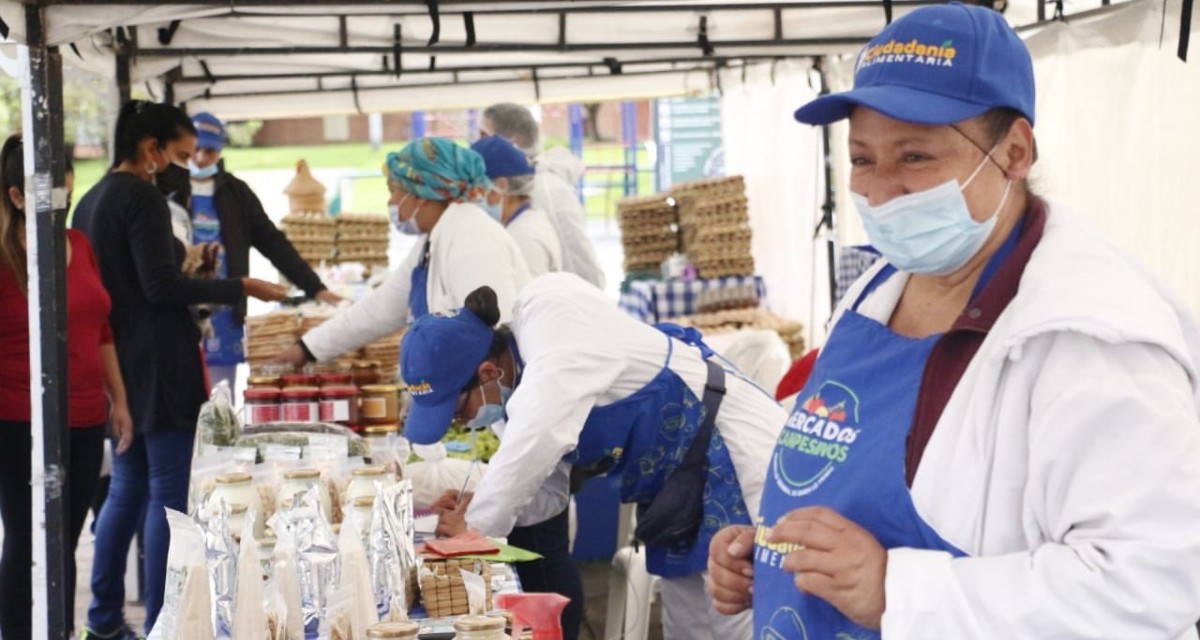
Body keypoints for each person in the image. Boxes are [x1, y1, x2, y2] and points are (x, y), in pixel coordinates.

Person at [707, 5, 1200, 639]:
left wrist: (899, 592)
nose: (881, 192)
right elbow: (838, 463)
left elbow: (1149, 584)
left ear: (1015, 152)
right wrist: (770, 552)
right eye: (862, 158)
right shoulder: (875, 291)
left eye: (915, 157)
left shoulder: (1090, 336)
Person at [403, 273, 789, 640]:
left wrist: (476, 524)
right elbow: (546, 494)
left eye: (458, 411)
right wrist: (475, 506)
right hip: (677, 488)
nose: (463, 422)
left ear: (488, 372)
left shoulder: (551, 327)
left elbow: (537, 433)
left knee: (740, 618)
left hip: (733, 453)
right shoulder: (521, 395)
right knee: (690, 626)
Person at [72, 100, 287, 639]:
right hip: (159, 360)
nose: (188, 169)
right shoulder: (142, 198)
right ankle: (166, 620)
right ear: (151, 151)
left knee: (127, 487)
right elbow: (160, 286)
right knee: (167, 493)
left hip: (120, 358)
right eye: (182, 156)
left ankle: (103, 617)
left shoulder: (90, 202)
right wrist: (239, 285)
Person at [0, 136, 132, 639]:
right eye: (51, 201)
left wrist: (118, 399)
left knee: (66, 542)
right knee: (26, 542)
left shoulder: (81, 245)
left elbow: (101, 330)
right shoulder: (4, 255)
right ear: (16, 196)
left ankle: (58, 630)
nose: (62, 210)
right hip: (18, 419)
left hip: (83, 415)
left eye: (67, 199)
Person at [273, 137, 530, 367]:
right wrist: (308, 348)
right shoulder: (433, 240)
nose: (392, 202)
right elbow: (381, 308)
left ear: (421, 194)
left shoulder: (473, 240)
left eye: (394, 191)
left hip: (489, 401)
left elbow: (495, 336)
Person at [183, 112, 342, 388]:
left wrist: (315, 287)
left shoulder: (236, 193)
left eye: (208, 151)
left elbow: (272, 241)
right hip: (181, 308)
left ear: (220, 150)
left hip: (226, 309)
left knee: (221, 395)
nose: (199, 158)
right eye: (194, 150)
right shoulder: (168, 190)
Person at [480, 103, 606, 288]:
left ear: (517, 140)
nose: (479, 143)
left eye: (484, 135)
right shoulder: (527, 187)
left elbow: (578, 260)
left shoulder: (548, 189)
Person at [471, 135, 564, 277]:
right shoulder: (529, 219)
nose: (474, 199)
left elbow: (526, 294)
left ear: (500, 186)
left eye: (479, 189)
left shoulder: (522, 236)